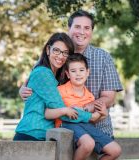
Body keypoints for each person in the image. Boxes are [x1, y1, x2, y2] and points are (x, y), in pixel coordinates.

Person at [19, 10, 123, 158]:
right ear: (69, 28)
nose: (82, 32)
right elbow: (34, 80)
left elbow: (109, 97)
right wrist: (22, 90)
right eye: (77, 27)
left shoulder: (103, 57)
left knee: (112, 150)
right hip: (63, 128)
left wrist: (89, 110)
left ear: (92, 32)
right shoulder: (56, 56)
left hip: (97, 126)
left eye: (87, 28)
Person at [14, 32, 101, 141]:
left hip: (45, 137)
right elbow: (61, 110)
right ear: (48, 50)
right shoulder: (43, 73)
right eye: (56, 50)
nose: (60, 56)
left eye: (65, 53)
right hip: (31, 135)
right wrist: (91, 117)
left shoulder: (57, 77)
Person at [53, 53, 121, 160]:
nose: (78, 74)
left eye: (81, 70)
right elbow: (60, 113)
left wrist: (102, 113)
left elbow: (92, 119)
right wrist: (91, 114)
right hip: (66, 125)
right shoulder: (60, 91)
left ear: (87, 72)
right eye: (73, 71)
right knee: (88, 143)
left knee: (115, 150)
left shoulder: (90, 97)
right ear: (67, 74)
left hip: (86, 127)